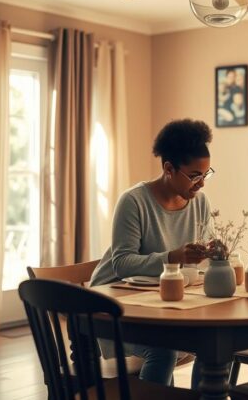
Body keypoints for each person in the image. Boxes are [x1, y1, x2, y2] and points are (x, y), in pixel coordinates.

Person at [90, 118, 215, 387]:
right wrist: (174, 257)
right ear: (169, 168)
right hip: (117, 309)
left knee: (214, 346)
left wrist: (214, 254)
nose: (202, 183)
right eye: (195, 175)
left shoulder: (200, 202)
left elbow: (203, 256)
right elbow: (122, 263)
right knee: (163, 350)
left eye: (206, 174)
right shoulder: (134, 201)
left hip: (163, 303)